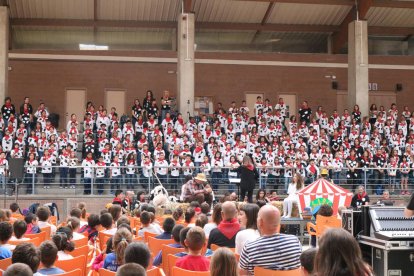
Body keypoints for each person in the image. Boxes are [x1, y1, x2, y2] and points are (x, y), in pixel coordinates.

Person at [239, 205, 301, 274]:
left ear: (260, 222)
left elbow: (242, 273)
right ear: (279, 222)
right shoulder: (294, 242)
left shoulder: (249, 247)